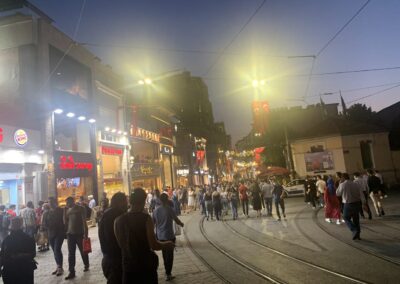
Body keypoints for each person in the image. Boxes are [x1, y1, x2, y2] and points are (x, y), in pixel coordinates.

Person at [114, 188, 175, 284]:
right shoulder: (146, 219)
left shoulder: (118, 221)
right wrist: (168, 244)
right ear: (143, 201)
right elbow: (154, 245)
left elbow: (121, 245)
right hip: (145, 266)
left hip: (128, 267)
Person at [153, 193, 184, 281]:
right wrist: (181, 224)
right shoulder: (170, 209)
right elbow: (176, 219)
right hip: (169, 236)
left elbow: (153, 223)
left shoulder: (156, 211)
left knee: (164, 254)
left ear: (160, 200)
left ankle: (167, 271)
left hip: (160, 236)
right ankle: (168, 273)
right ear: (167, 200)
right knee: (170, 255)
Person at [99, 192, 128, 284]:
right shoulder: (117, 214)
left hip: (109, 257)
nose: (127, 204)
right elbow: (112, 238)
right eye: (125, 201)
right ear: (120, 202)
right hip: (115, 258)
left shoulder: (107, 213)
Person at [0, 217, 36, 284]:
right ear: (22, 225)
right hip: (25, 269)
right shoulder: (28, 238)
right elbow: (33, 254)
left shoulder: (7, 240)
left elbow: (2, 256)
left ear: (11, 226)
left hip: (9, 270)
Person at [64, 196, 89, 280]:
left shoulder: (80, 208)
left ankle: (86, 264)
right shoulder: (67, 210)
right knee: (71, 253)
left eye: (68, 202)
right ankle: (72, 271)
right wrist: (64, 212)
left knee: (83, 251)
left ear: (72, 201)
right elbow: (65, 222)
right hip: (70, 234)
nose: (67, 204)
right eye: (66, 203)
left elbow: (84, 221)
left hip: (79, 233)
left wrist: (86, 234)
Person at [336, 173, 366, 240]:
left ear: (343, 178)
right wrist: (364, 203)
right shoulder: (355, 184)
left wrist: (339, 184)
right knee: (356, 219)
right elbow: (361, 194)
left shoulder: (342, 184)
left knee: (346, 217)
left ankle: (354, 230)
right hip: (357, 203)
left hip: (348, 204)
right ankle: (358, 235)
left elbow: (337, 194)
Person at [42, 197, 65, 277]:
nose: (50, 203)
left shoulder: (61, 210)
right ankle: (59, 266)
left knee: (57, 249)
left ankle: (59, 267)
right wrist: (47, 226)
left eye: (52, 202)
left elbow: (64, 221)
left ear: (55, 202)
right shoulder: (46, 213)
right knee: (55, 250)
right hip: (51, 233)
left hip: (59, 233)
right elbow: (43, 223)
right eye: (49, 202)